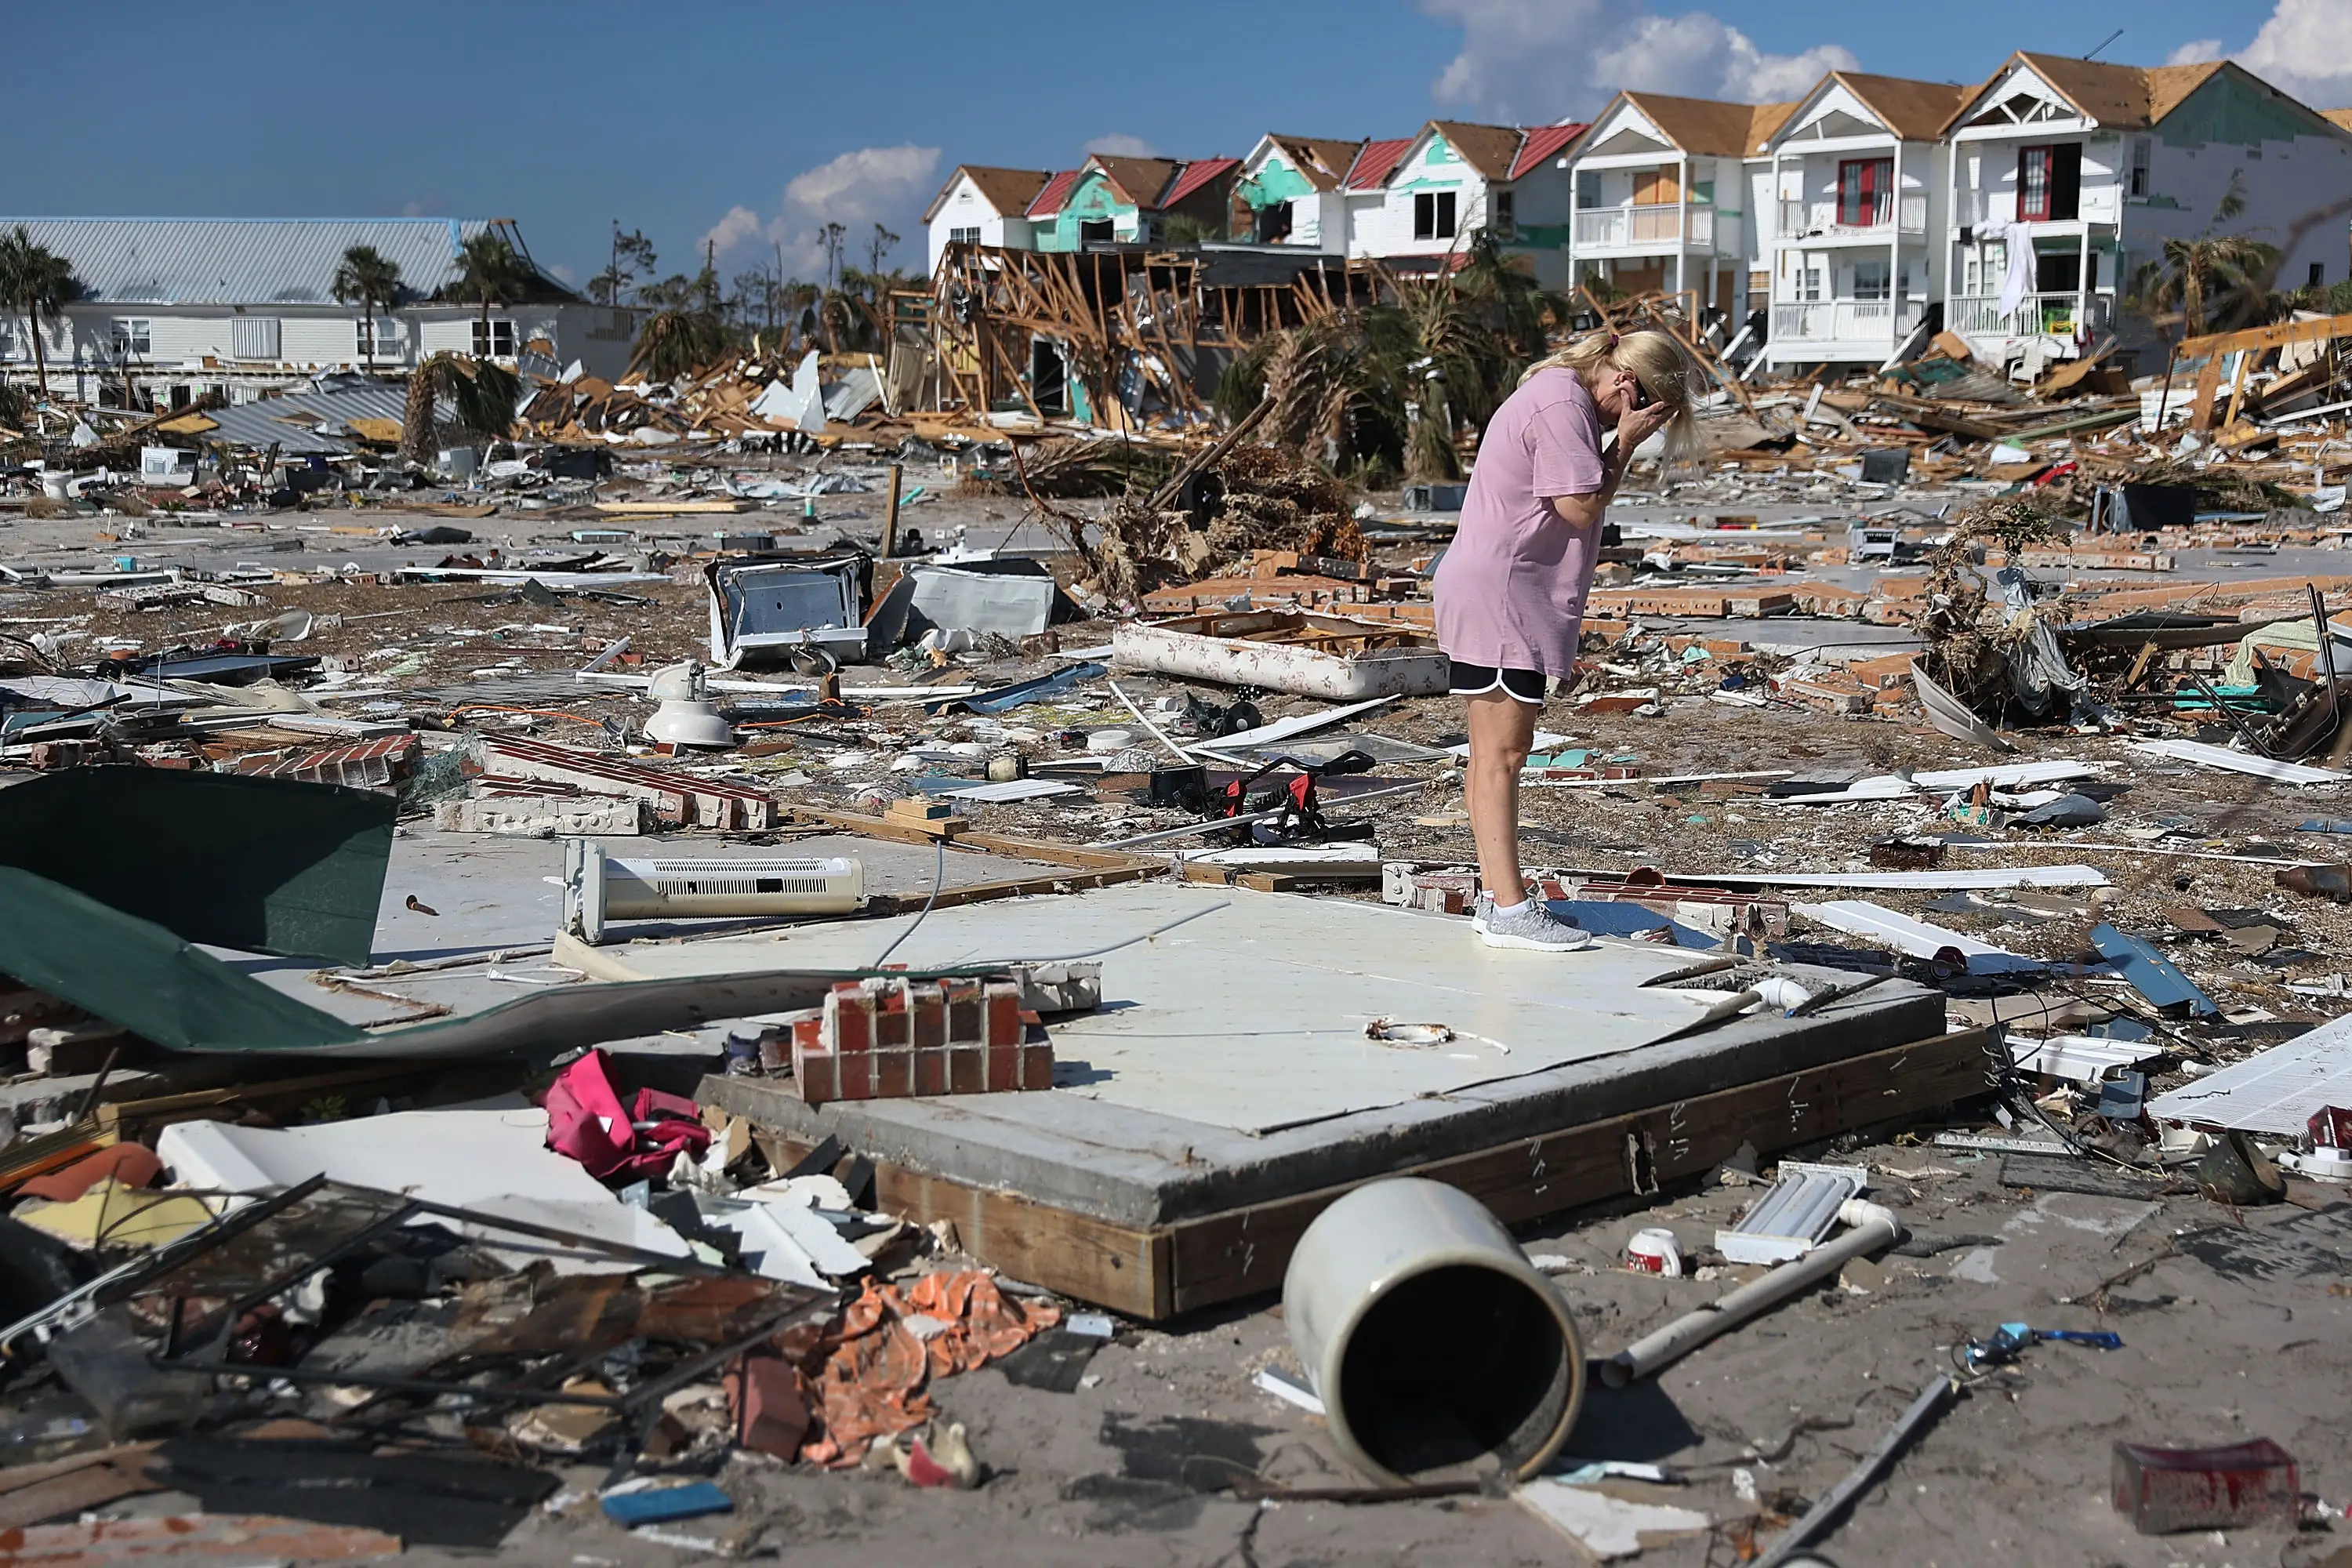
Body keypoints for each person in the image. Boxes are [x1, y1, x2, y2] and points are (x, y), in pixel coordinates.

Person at [1431, 328, 1697, 950]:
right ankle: (1511, 909)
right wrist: (1625, 445)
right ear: (1628, 386)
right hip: (1504, 595)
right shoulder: (1563, 403)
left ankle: (1497, 898)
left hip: (1499, 589)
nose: (1630, 423)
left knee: (1490, 753)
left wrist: (1617, 438)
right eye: (1642, 413)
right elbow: (1580, 506)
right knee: (1503, 754)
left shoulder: (1559, 396)